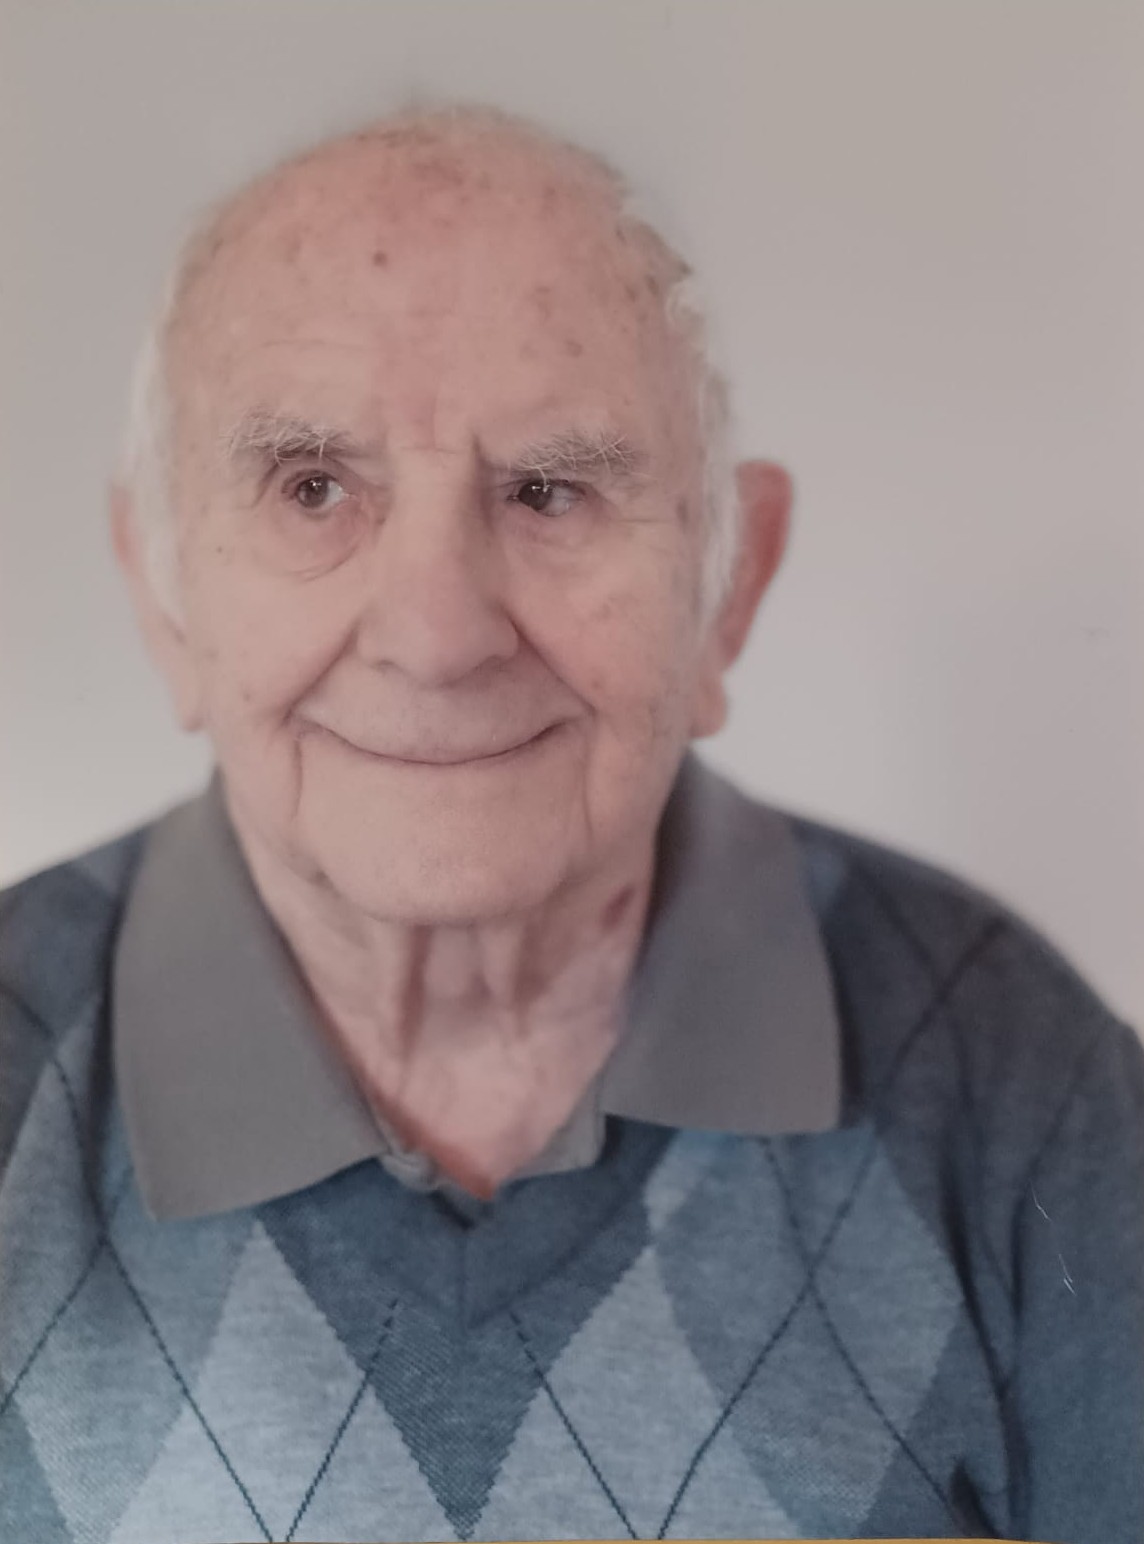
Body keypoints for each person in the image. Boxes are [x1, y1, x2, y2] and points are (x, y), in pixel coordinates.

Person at [0, 104, 1140, 1544]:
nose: (437, 636)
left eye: (549, 490)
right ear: (162, 594)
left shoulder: (1020, 1074)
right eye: (312, 487)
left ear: (730, 585)